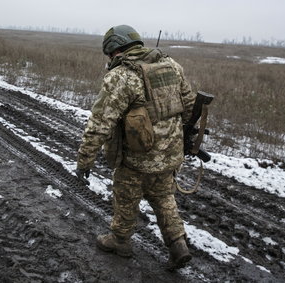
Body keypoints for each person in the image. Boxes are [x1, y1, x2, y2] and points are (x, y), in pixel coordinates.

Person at [76, 24, 196, 270]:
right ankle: (177, 244)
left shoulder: (121, 76)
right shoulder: (172, 66)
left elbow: (100, 123)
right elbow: (190, 106)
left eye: (109, 55)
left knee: (126, 197)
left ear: (114, 50)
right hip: (170, 155)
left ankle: (120, 241)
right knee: (164, 197)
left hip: (136, 159)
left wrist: (85, 159)